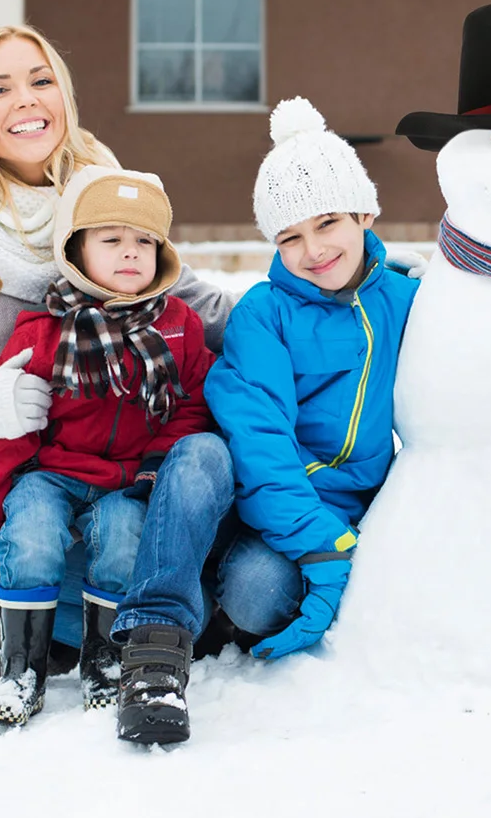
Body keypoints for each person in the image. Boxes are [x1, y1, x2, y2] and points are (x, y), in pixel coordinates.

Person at [0, 25, 234, 706]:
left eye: (41, 79)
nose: (26, 100)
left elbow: (203, 308)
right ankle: (14, 638)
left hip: (109, 484)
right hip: (0, 487)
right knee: (38, 541)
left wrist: (321, 297)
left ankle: (106, 642)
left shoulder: (105, 200)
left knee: (129, 538)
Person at [203, 96, 418, 660]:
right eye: (290, 237)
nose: (314, 250)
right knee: (258, 594)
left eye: (328, 223)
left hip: (381, 503)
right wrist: (323, 546)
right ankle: (217, 605)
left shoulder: (408, 301)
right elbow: (260, 444)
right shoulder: (262, 314)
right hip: (287, 511)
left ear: (364, 216)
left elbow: (488, 370)